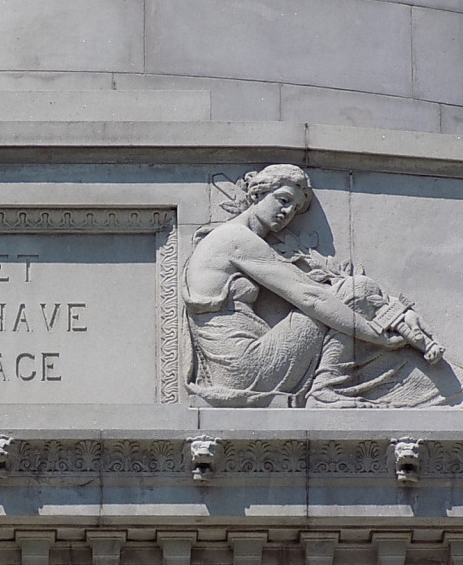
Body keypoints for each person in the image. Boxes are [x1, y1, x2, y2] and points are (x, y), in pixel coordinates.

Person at [182, 164, 458, 407]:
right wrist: (374, 335)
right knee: (355, 290)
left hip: (240, 366)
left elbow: (314, 287)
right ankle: (326, 391)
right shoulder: (235, 238)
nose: (287, 212)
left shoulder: (233, 239)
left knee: (352, 293)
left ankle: (403, 338)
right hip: (245, 366)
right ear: (257, 194)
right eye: (283, 199)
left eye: (295, 209)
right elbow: (311, 297)